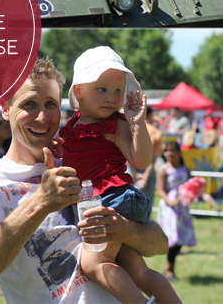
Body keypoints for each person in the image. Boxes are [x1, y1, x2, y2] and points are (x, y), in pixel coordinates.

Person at [0, 57, 170, 303]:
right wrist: (40, 201)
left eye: (50, 103)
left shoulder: (89, 160)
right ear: (6, 109)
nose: (42, 117)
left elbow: (160, 243)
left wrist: (127, 229)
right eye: (29, 104)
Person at [60, 46, 180, 304]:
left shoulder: (114, 124)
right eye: (102, 89)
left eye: (117, 91)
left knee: (94, 264)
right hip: (106, 200)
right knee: (138, 270)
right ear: (78, 91)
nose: (111, 98)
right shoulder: (73, 127)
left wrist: (138, 125)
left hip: (113, 199)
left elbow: (141, 160)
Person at [156, 141, 196, 280]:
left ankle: (169, 268)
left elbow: (192, 186)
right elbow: (160, 190)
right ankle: (169, 269)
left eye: (172, 150)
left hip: (182, 208)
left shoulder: (185, 169)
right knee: (172, 238)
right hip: (169, 208)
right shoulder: (163, 169)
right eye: (167, 150)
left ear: (179, 152)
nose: (169, 153)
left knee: (180, 238)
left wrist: (204, 195)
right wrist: (170, 202)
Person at [132, 106, 163, 206]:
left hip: (131, 170)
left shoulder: (129, 129)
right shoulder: (156, 132)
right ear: (149, 115)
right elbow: (154, 158)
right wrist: (145, 177)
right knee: (147, 205)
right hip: (148, 171)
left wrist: (135, 173)